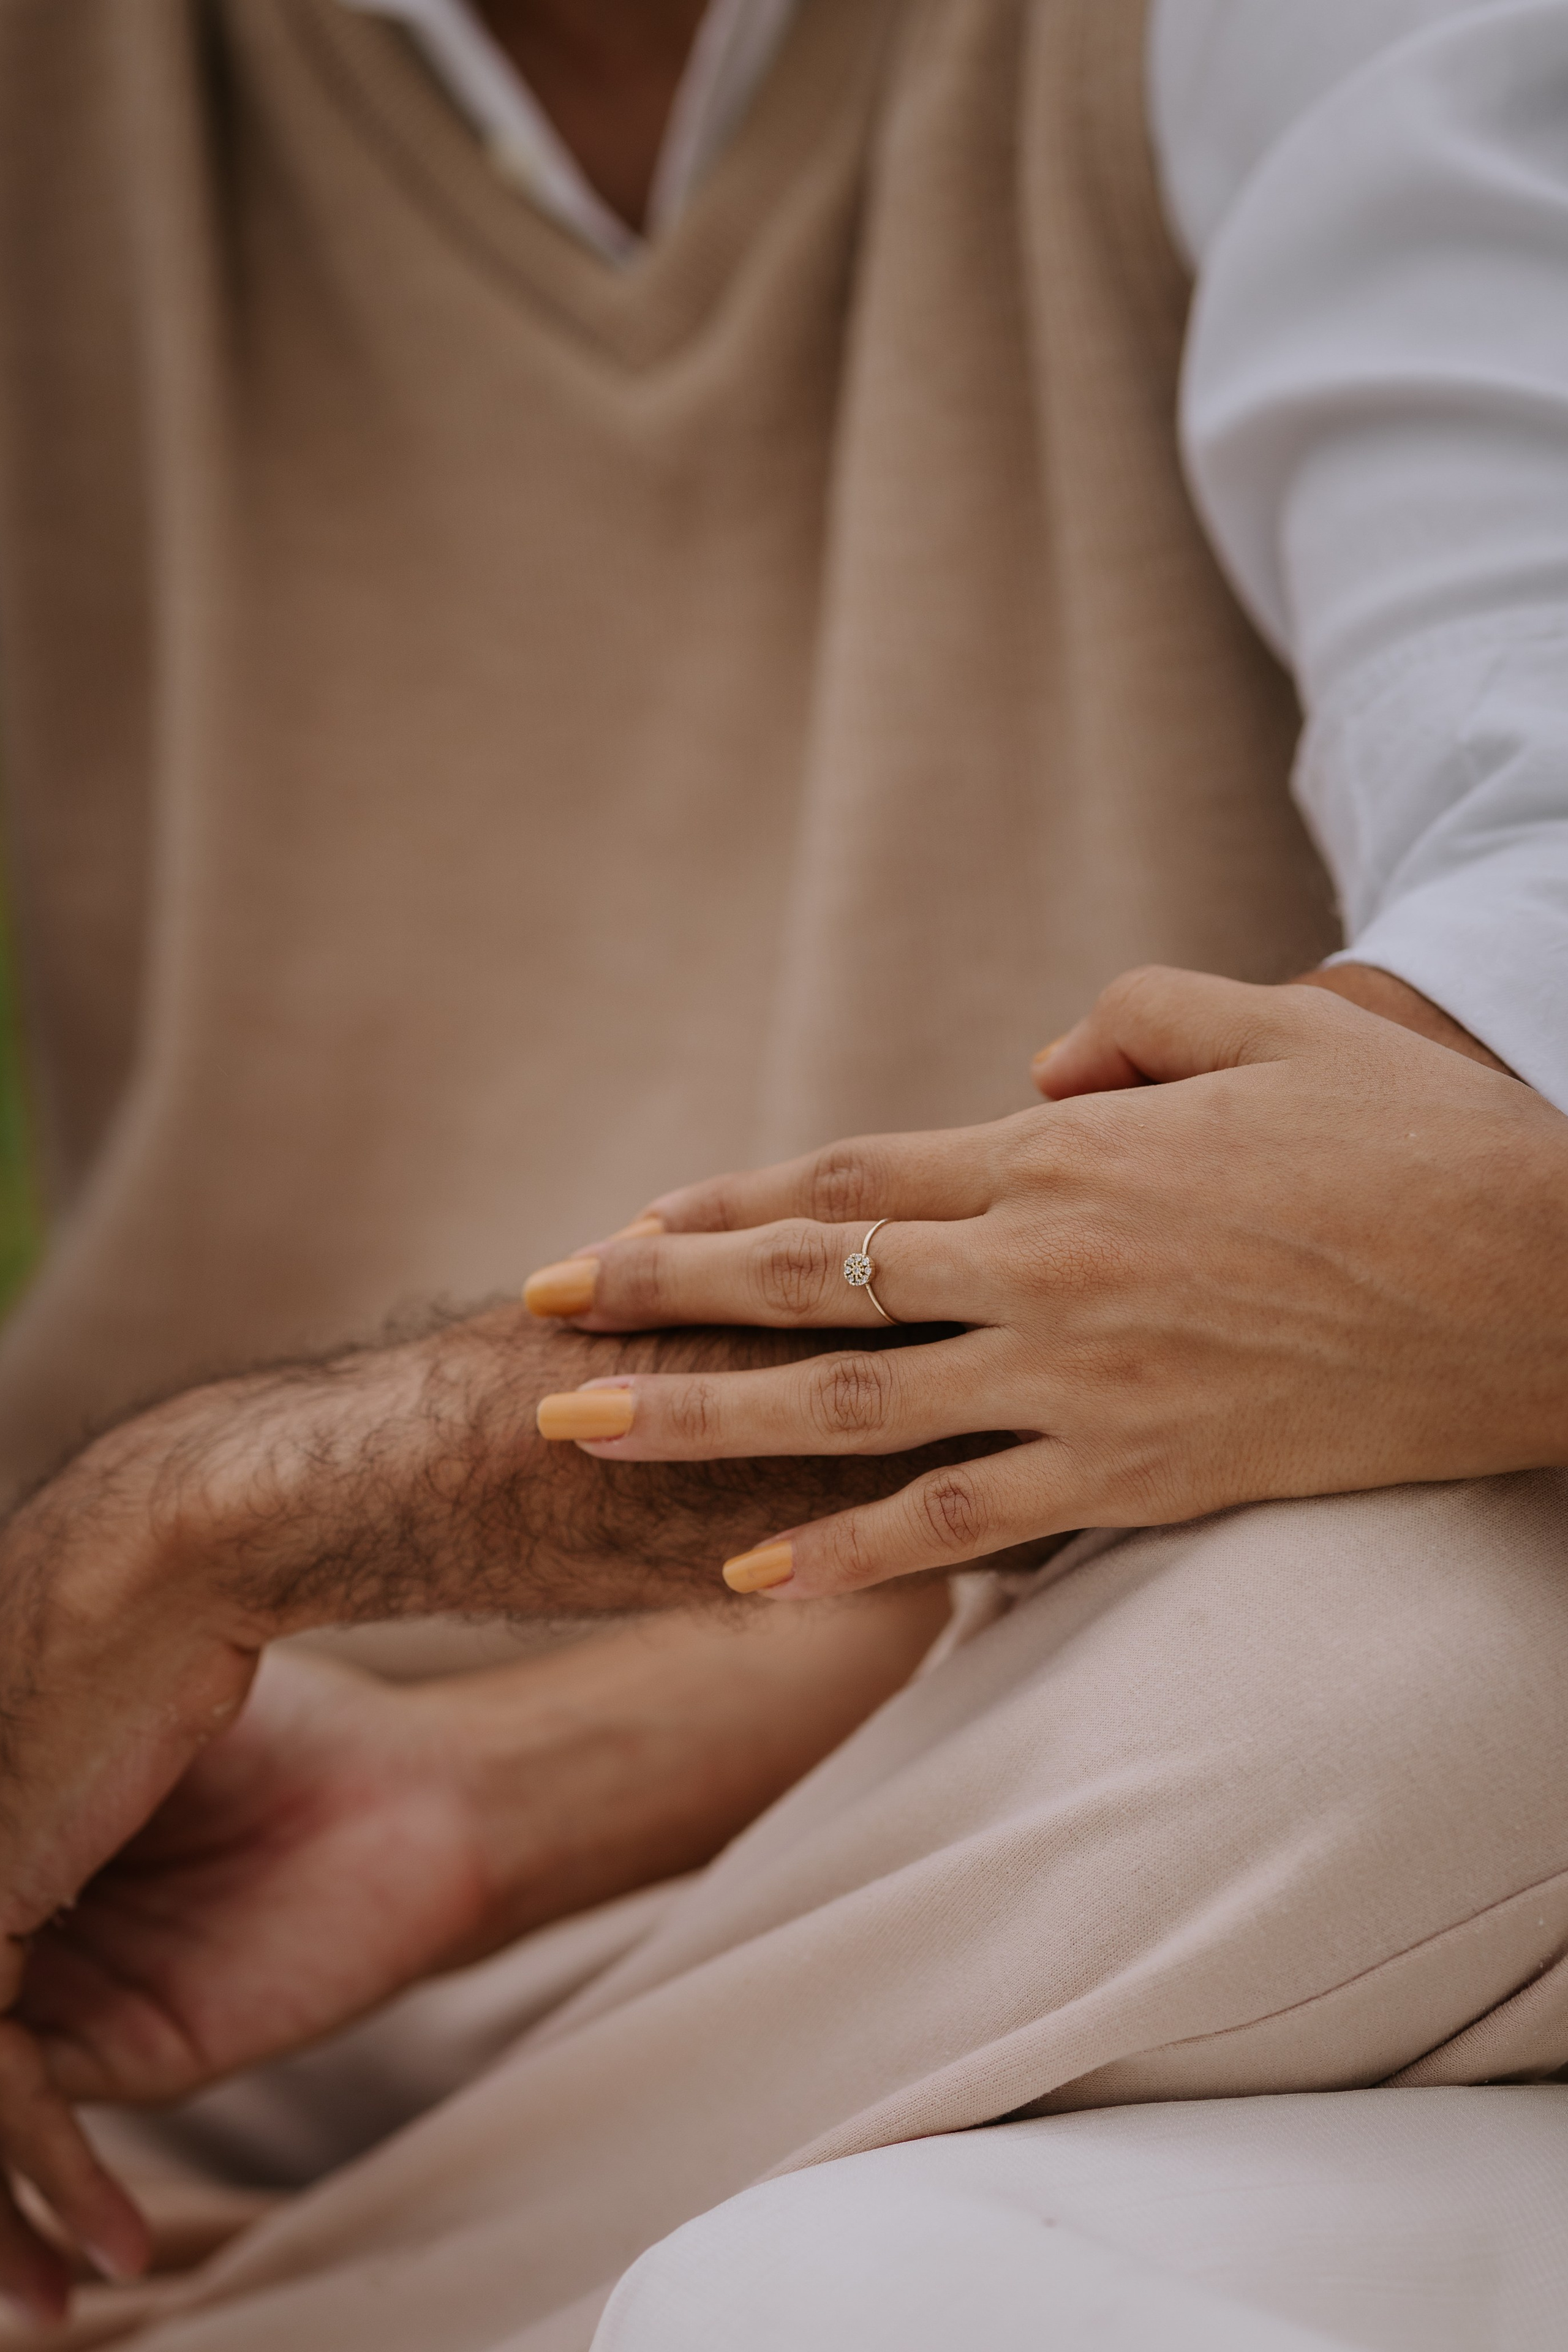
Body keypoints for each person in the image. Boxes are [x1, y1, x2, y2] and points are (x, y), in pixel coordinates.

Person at [0, 1, 1566, 2344]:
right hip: (251, 1906)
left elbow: (1465, 1191)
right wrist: (504, 1795)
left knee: (1435, 1645)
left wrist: (249, 1502)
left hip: (1112, 1776)